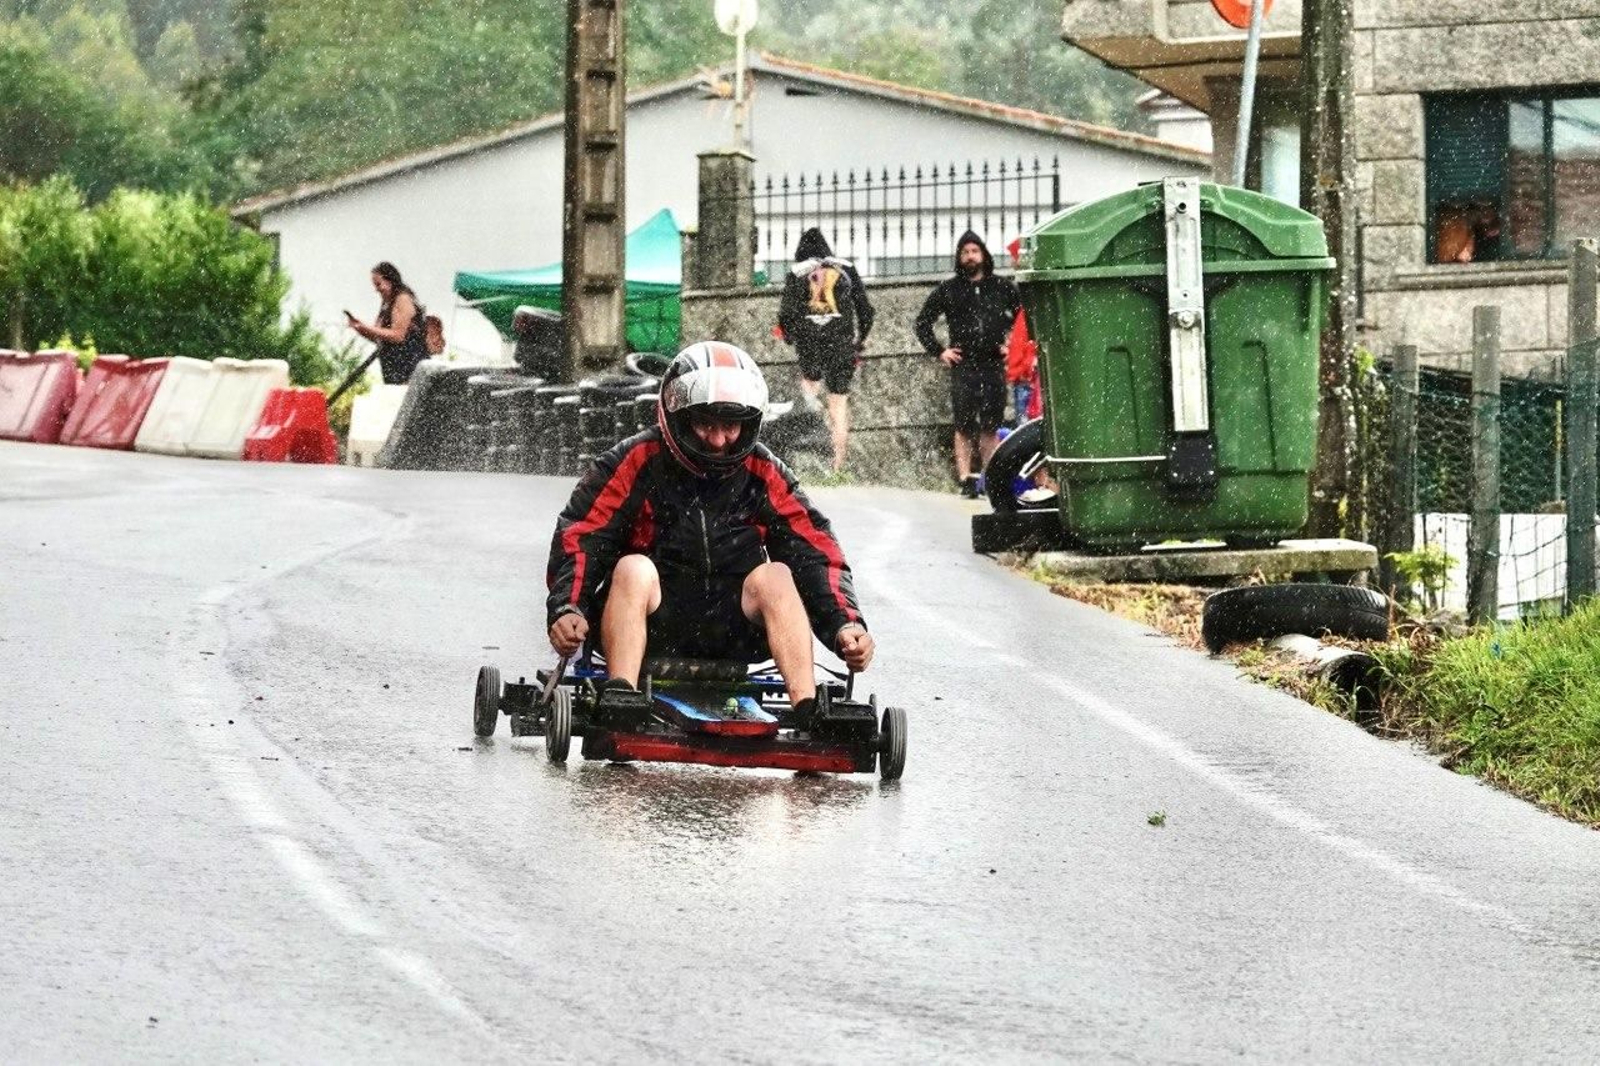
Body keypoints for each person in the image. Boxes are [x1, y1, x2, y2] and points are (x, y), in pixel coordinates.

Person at [545, 341, 875, 724]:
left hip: (734, 631)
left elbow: (814, 550)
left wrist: (845, 623)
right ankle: (622, 696)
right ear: (679, 417)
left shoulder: (764, 472)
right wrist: (569, 607)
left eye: (730, 426)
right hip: (653, 625)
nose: (719, 441)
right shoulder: (634, 462)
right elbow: (583, 536)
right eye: (706, 424)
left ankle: (807, 708)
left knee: (777, 575)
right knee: (633, 568)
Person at [915, 231, 1023, 497]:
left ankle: (990, 479)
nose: (970, 256)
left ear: (983, 255)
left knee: (990, 425)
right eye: (965, 252)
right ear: (959, 257)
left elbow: (1023, 318)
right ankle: (965, 478)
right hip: (964, 366)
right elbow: (923, 322)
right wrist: (940, 351)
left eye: (974, 251)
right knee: (963, 425)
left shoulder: (1002, 287)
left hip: (993, 365)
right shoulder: (949, 289)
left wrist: (1012, 346)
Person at [776, 228, 875, 473]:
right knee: (838, 406)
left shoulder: (797, 272)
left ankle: (811, 461)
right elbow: (866, 310)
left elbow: (786, 314)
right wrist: (859, 340)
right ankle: (836, 468)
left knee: (809, 396)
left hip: (810, 344)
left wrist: (791, 337)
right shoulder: (846, 268)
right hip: (841, 345)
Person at [346, 261, 430, 384]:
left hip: (410, 368)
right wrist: (360, 328)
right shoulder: (386, 303)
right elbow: (379, 338)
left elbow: (398, 336)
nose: (376, 289)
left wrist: (366, 327)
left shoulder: (403, 299)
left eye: (378, 284)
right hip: (393, 369)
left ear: (390, 281)